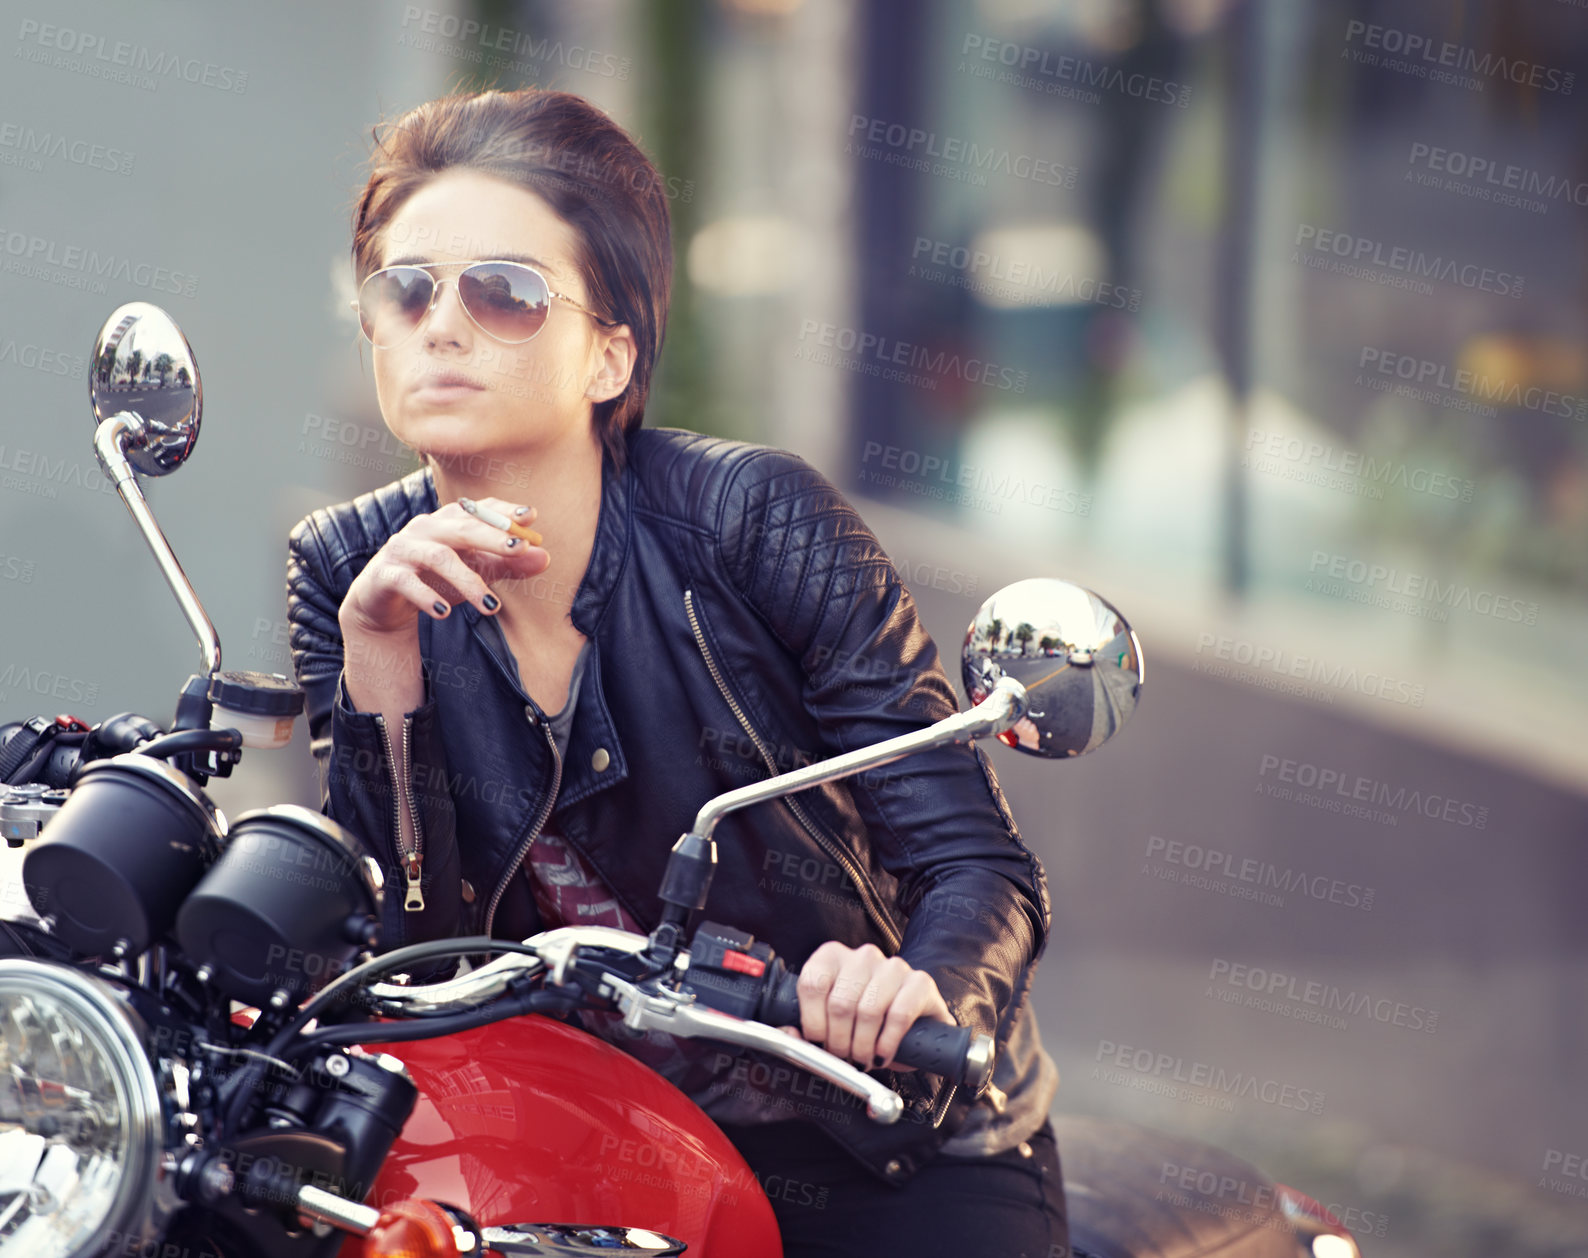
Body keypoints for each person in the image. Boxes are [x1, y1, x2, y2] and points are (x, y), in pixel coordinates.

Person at [286, 86, 1066, 1257]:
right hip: (585, 1136)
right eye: (404, 290)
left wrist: (919, 999)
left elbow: (976, 861)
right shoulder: (347, 571)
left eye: (500, 291)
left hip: (880, 1132)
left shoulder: (756, 522)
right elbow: (404, 962)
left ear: (611, 352)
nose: (439, 325)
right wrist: (381, 660)